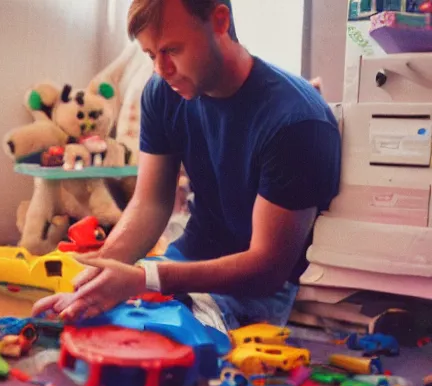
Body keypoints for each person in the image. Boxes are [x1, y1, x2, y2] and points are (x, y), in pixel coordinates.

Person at [32, 0, 341, 333]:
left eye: (172, 50)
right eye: (151, 55)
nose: (161, 70)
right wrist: (101, 274)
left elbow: (267, 268)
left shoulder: (296, 120)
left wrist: (146, 278)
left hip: (255, 290)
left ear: (220, 21)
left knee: (149, 343)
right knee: (84, 324)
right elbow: (150, 204)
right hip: (184, 260)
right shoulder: (163, 92)